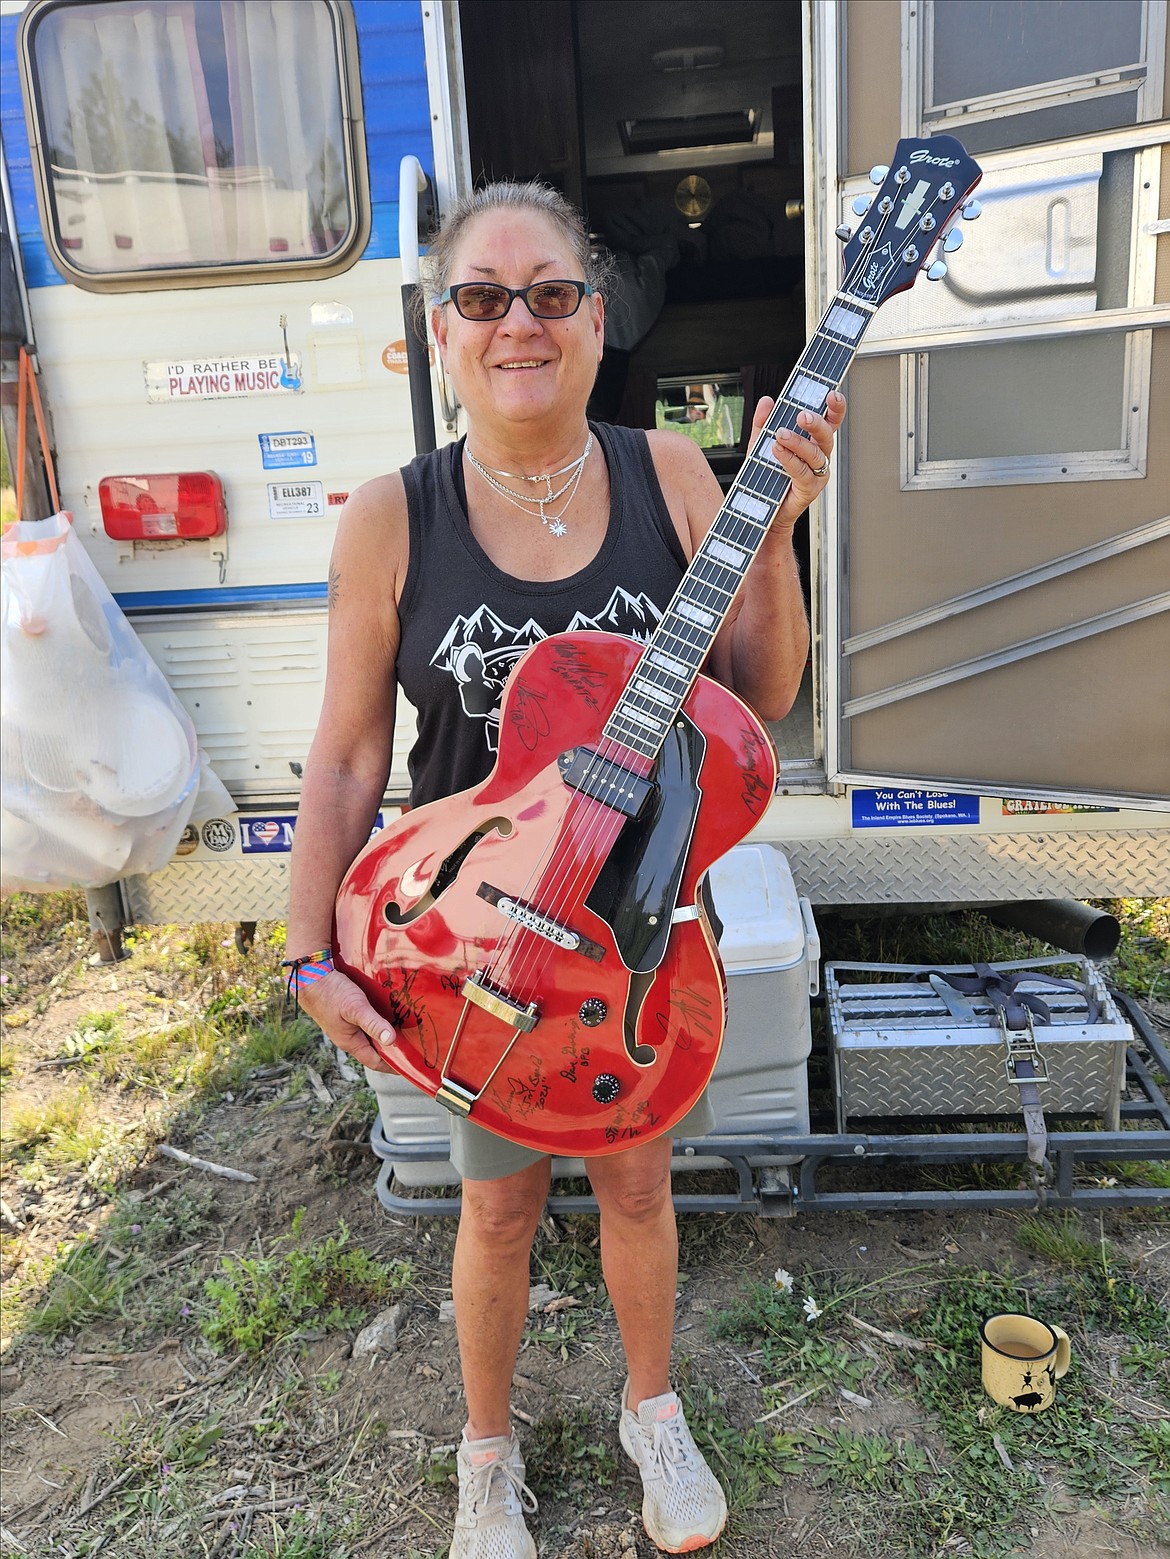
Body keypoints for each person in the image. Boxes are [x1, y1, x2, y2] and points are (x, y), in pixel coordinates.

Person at [286, 180, 844, 1558]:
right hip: (471, 933)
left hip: (637, 920)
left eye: (549, 294)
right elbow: (349, 760)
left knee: (641, 1186)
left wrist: (772, 525)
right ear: (440, 328)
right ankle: (489, 1454)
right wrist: (309, 950)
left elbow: (758, 695)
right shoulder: (389, 517)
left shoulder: (666, 474)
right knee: (496, 1201)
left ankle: (649, 1411)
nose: (516, 323)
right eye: (482, 296)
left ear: (597, 318)